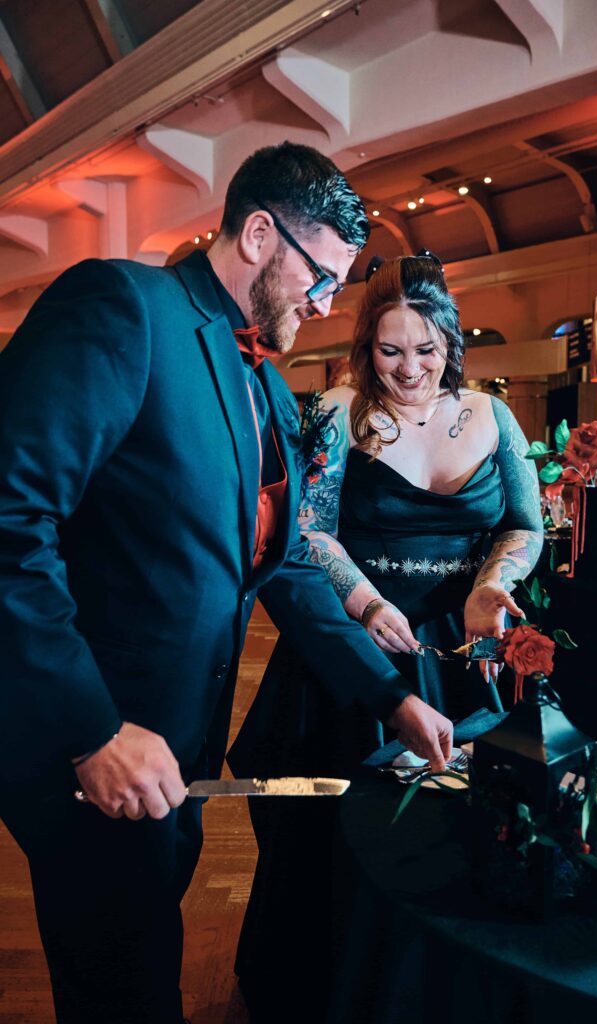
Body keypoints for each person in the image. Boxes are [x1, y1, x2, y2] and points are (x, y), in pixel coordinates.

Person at [0, 143, 453, 1024]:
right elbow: (11, 524)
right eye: (319, 278)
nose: (324, 306)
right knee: (125, 993)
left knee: (140, 966)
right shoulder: (122, 310)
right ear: (257, 234)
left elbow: (280, 567)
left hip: (183, 746)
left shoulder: (270, 391)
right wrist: (91, 729)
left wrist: (390, 695)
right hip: (93, 745)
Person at [228, 252, 543, 1021]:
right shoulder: (336, 412)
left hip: (458, 643)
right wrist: (365, 604)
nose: (409, 369)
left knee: (455, 826)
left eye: (426, 350)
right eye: (390, 350)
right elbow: (308, 531)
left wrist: (491, 585)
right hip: (355, 643)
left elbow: (523, 526)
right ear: (367, 347)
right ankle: (331, 983)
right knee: (337, 829)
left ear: (451, 344)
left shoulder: (492, 416)